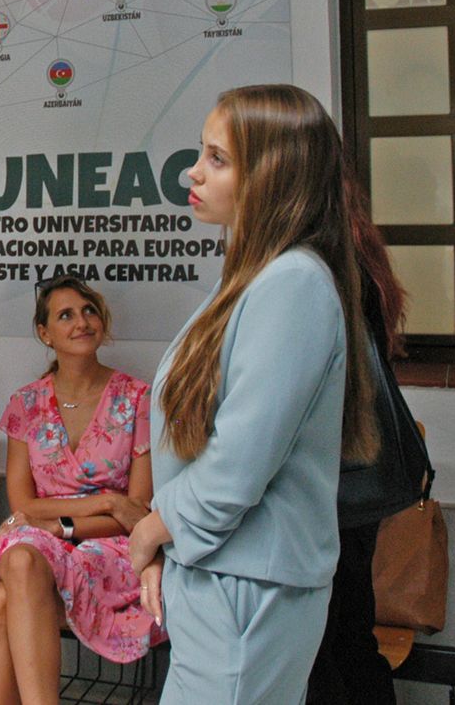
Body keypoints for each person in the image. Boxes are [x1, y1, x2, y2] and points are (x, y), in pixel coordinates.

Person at [129, 84, 379, 703]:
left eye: (218, 158)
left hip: (249, 583)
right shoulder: (254, 278)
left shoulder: (292, 285)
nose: (193, 170)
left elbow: (239, 465)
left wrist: (154, 529)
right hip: (219, 571)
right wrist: (171, 547)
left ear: (272, 176)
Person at [0, 276, 163, 705]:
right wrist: (106, 500)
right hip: (40, 537)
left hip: (110, 545)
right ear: (45, 333)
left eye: (89, 311)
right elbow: (23, 504)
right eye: (66, 315)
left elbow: (136, 512)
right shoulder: (26, 402)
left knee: (8, 594)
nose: (82, 322)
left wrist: (67, 526)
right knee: (21, 556)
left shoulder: (137, 399)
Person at [305, 175, 415, 704]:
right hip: (358, 476)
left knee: (321, 645)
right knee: (350, 633)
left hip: (332, 477)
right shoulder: (356, 252)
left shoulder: (314, 268)